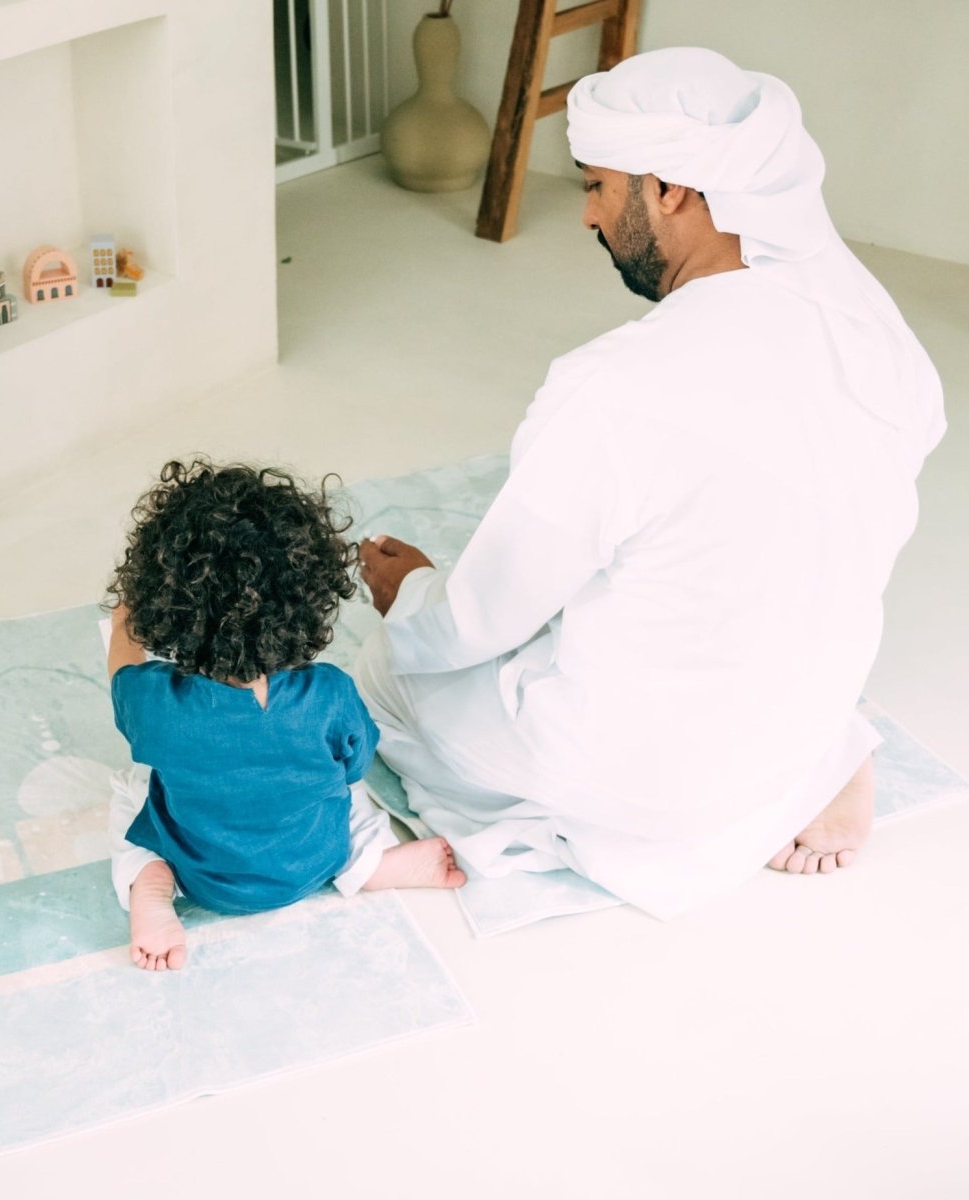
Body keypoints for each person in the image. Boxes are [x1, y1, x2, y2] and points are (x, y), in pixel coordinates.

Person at [356, 47, 946, 919]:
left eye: (596, 186)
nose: (587, 216)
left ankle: (710, 802)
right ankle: (821, 751)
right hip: (797, 708)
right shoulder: (874, 327)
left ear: (669, 189)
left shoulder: (615, 385)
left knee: (387, 677)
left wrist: (408, 592)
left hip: (648, 784)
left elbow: (482, 618)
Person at [106, 459, 465, 971]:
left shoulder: (153, 703)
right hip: (313, 857)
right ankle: (368, 864)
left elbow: (122, 667)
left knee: (130, 788)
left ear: (163, 609)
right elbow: (356, 766)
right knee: (346, 791)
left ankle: (150, 881)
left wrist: (126, 617)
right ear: (310, 601)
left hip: (204, 877)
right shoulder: (331, 693)